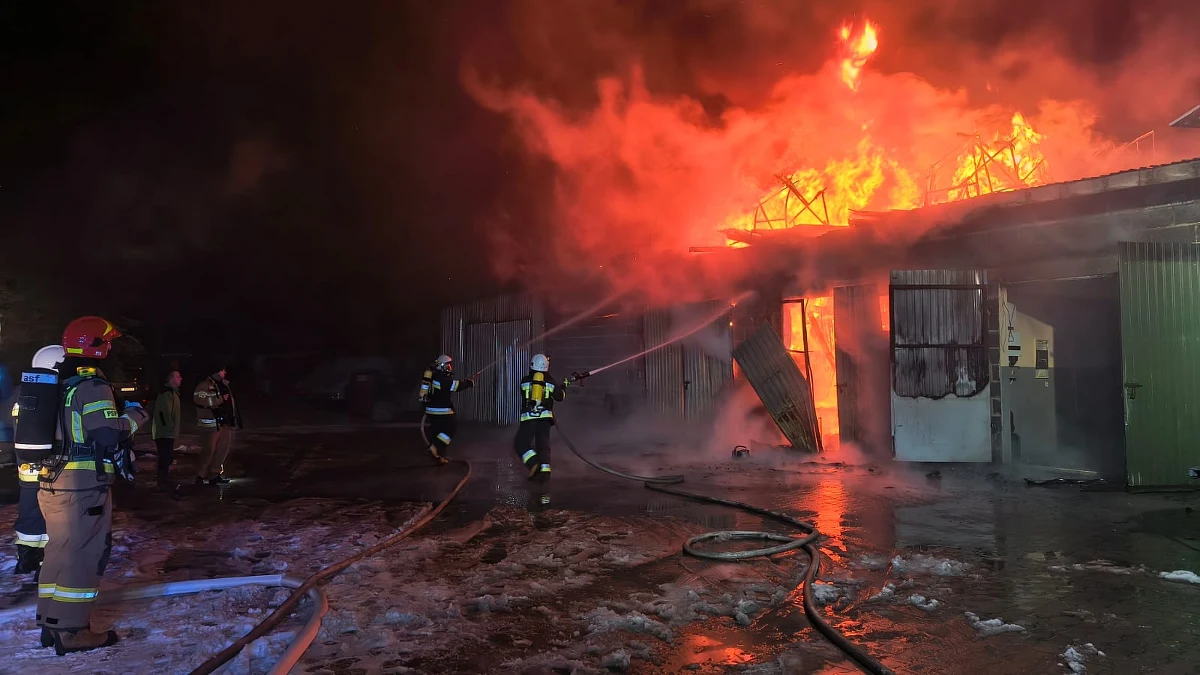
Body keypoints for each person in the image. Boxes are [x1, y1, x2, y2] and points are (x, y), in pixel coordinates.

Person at [38, 316, 149, 654]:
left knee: (57, 551)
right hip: (82, 487)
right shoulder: (93, 386)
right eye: (107, 342)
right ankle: (72, 632)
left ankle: (51, 623)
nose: (112, 347)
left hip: (52, 482)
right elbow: (107, 434)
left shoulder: (59, 382)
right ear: (96, 348)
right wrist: (136, 416)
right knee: (83, 556)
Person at [9, 345, 65, 579]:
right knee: (53, 516)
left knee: (29, 512)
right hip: (50, 468)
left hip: (26, 468)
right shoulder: (54, 396)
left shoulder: (23, 396)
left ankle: (26, 559)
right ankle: (45, 564)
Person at [514, 354, 570, 482]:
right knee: (543, 445)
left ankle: (534, 464)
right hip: (545, 418)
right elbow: (560, 397)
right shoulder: (550, 381)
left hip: (529, 417)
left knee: (521, 444)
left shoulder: (525, 380)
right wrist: (564, 385)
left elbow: (525, 395)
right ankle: (544, 471)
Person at [418, 355, 474, 465]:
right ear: (444, 366)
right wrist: (469, 383)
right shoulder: (441, 378)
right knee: (450, 429)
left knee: (437, 431)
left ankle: (437, 456)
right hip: (442, 410)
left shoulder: (433, 376)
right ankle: (435, 447)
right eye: (449, 365)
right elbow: (455, 386)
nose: (450, 367)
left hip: (430, 410)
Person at [193, 365, 240, 485]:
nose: (225, 372)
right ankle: (200, 475)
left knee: (222, 449)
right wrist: (220, 400)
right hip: (211, 425)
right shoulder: (203, 386)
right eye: (222, 370)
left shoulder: (225, 384)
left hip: (225, 423)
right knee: (209, 450)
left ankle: (215, 474)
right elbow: (200, 400)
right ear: (216, 371)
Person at [152, 370, 183, 495]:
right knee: (165, 457)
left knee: (167, 457)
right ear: (170, 379)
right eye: (177, 376)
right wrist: (169, 429)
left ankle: (164, 481)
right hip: (164, 433)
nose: (180, 378)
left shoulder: (172, 394)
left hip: (167, 432)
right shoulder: (166, 394)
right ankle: (162, 483)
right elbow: (164, 414)